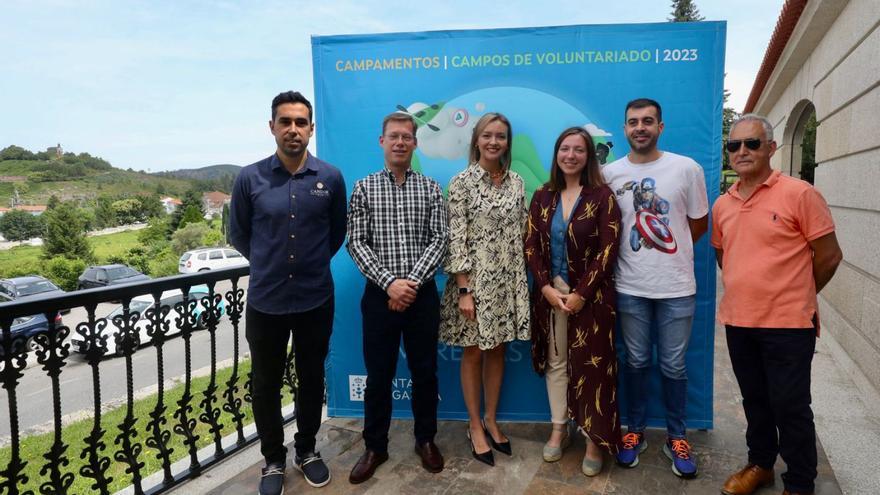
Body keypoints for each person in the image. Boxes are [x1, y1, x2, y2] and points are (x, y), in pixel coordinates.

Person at [713, 114, 842, 495]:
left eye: (752, 143)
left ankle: (800, 483)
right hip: (739, 320)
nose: (742, 152)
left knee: (791, 406)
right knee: (755, 399)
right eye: (734, 145)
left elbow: (830, 256)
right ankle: (761, 464)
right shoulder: (724, 204)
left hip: (788, 324)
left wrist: (797, 291)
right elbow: (725, 254)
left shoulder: (800, 194)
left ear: (771, 148)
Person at [229, 91, 346, 494]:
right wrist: (273, 264)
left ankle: (308, 450)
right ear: (272, 127)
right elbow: (239, 234)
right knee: (265, 383)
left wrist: (306, 266)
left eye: (300, 122)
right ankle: (273, 459)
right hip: (267, 301)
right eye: (285, 121)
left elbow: (336, 234)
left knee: (312, 379)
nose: (293, 129)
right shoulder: (249, 178)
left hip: (316, 298)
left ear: (311, 128)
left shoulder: (329, 178)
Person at [602, 98, 708, 479]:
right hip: (629, 286)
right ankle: (634, 432)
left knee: (674, 365)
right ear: (625, 128)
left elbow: (697, 224)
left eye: (648, 121)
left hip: (677, 287)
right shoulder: (609, 174)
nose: (640, 127)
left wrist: (668, 252)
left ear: (661, 126)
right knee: (635, 362)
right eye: (633, 122)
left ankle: (677, 436)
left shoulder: (686, 168)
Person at [346, 112, 448, 484]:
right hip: (379, 296)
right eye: (394, 136)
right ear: (382, 142)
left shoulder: (431, 188)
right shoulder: (364, 188)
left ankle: (426, 440)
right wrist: (390, 284)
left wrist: (410, 283)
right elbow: (355, 242)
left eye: (407, 136)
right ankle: (375, 446)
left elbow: (440, 240)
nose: (401, 142)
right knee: (378, 375)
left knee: (425, 373)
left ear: (415, 143)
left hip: (421, 297)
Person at [526, 126, 623, 476]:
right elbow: (531, 246)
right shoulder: (542, 195)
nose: (570, 155)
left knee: (593, 367)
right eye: (564, 149)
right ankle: (558, 428)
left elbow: (608, 250)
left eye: (578, 149)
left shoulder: (602, 196)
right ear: (556, 154)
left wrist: (581, 293)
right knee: (556, 363)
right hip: (551, 296)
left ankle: (594, 439)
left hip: (593, 298)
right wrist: (546, 288)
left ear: (588, 155)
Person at [439, 113, 530, 467]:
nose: (494, 142)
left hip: (507, 282)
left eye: (501, 136)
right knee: (474, 351)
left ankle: (492, 418)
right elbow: (456, 237)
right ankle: (474, 425)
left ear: (508, 142)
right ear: (476, 140)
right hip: (474, 285)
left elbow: (523, 231)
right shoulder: (461, 182)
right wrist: (464, 289)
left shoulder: (517, 182)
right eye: (488, 135)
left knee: (498, 350)